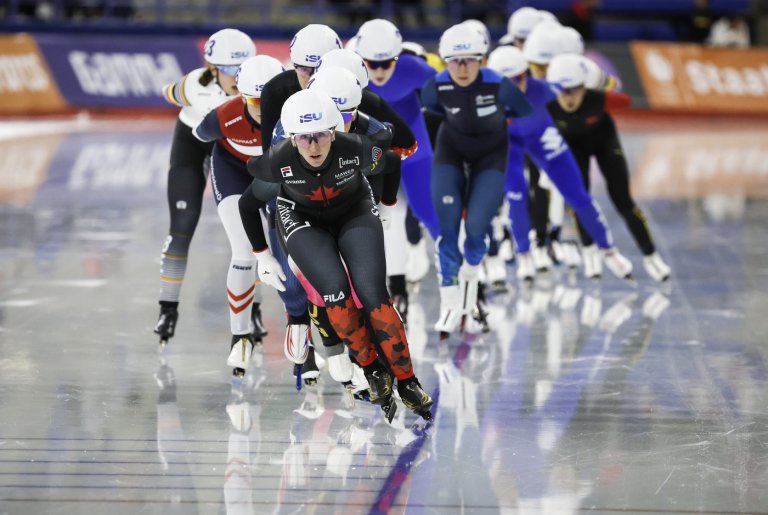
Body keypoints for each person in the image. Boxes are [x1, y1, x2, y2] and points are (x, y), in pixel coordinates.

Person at [239, 89, 433, 421]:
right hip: (301, 220)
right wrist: (262, 254)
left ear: (334, 132)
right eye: (304, 139)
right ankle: (372, 369)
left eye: (320, 137)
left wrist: (386, 204)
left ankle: (408, 381)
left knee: (375, 298)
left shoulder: (356, 149)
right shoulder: (277, 162)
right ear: (292, 138)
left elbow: (391, 157)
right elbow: (247, 204)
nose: (313, 146)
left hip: (354, 213)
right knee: (335, 295)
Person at [259, 30, 417, 385]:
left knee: (362, 284)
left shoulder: (366, 106)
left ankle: (367, 356)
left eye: (349, 112)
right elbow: (272, 173)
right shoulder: (281, 98)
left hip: (353, 191)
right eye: (302, 71)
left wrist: (380, 189)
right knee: (312, 280)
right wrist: (266, 243)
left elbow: (404, 149)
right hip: (300, 194)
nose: (343, 119)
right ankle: (309, 328)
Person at [420, 23, 533, 336]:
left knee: (476, 228)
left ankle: (470, 281)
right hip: (450, 153)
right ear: (445, 61)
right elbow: (431, 110)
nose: (462, 68)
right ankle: (449, 303)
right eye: (455, 61)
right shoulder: (436, 86)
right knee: (447, 226)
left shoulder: (499, 84)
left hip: (490, 157)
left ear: (482, 60)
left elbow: (523, 110)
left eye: (470, 60)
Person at [487, 45, 633, 283]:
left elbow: (597, 95)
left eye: (519, 78)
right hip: (509, 144)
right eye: (507, 81)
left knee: (578, 196)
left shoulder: (543, 89)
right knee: (516, 196)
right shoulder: (485, 97)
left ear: (527, 74)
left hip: (542, 138)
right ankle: (524, 254)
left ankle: (608, 249)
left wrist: (609, 86)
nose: (516, 86)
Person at [154, 28, 256, 346]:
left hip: (230, 154)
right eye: (230, 71)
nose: (238, 78)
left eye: (243, 69)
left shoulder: (259, 86)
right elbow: (168, 92)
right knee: (182, 226)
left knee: (251, 233)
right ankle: (168, 308)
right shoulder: (193, 86)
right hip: (192, 147)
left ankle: (253, 310)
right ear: (212, 69)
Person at [192, 55, 285, 376]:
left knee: (286, 251)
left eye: (269, 99)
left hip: (275, 177)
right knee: (245, 252)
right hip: (233, 173)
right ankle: (240, 337)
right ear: (241, 96)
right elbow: (199, 134)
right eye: (254, 99)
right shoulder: (225, 116)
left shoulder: (294, 113)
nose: (262, 106)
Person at [546, 54, 671, 282]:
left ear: (584, 87)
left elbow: (625, 99)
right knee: (578, 200)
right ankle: (589, 251)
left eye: (574, 89)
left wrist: (605, 81)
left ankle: (651, 256)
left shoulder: (600, 100)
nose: (569, 97)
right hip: (574, 148)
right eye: (562, 91)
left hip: (605, 143)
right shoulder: (549, 105)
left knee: (623, 200)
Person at [353, 18, 438, 318]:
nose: (377, 71)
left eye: (385, 63)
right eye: (370, 64)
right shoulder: (346, 68)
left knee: (428, 212)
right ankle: (397, 287)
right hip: (373, 152)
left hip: (415, 151)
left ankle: (465, 278)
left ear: (397, 58)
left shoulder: (416, 69)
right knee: (387, 216)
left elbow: (446, 94)